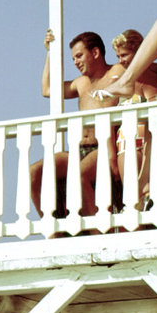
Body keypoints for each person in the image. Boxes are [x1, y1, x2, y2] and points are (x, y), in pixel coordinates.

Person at [30, 29, 124, 219]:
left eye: (79, 56)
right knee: (34, 173)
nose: (76, 62)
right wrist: (50, 52)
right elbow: (48, 89)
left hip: (104, 147)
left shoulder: (116, 71)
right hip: (79, 149)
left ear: (95, 53)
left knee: (79, 173)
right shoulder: (81, 83)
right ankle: (53, 231)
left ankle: (95, 233)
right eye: (73, 58)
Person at [109, 29, 157, 217]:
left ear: (141, 51)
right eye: (118, 56)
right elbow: (106, 118)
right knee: (135, 200)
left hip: (156, 140)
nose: (121, 60)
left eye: (124, 55)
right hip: (128, 142)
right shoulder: (119, 80)